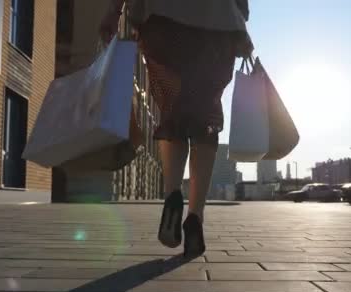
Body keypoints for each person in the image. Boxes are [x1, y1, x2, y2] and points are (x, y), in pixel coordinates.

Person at [101, 0, 253, 257]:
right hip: (217, 22)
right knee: (207, 116)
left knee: (173, 109)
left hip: (163, 18)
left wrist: (114, 10)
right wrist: (239, 19)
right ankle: (195, 217)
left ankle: (172, 194)